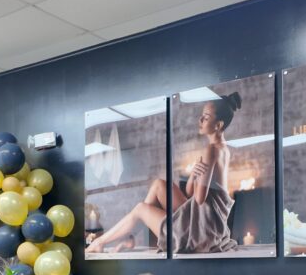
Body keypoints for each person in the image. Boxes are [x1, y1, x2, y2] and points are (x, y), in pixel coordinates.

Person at [86, 93, 242, 254]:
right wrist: (194, 175)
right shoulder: (222, 148)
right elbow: (190, 193)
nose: (200, 120)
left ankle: (99, 242)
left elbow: (200, 199)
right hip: (203, 220)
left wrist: (199, 178)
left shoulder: (212, 150)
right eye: (201, 116)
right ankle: (129, 237)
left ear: (218, 125)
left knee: (140, 208)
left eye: (206, 117)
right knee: (158, 185)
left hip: (201, 232)